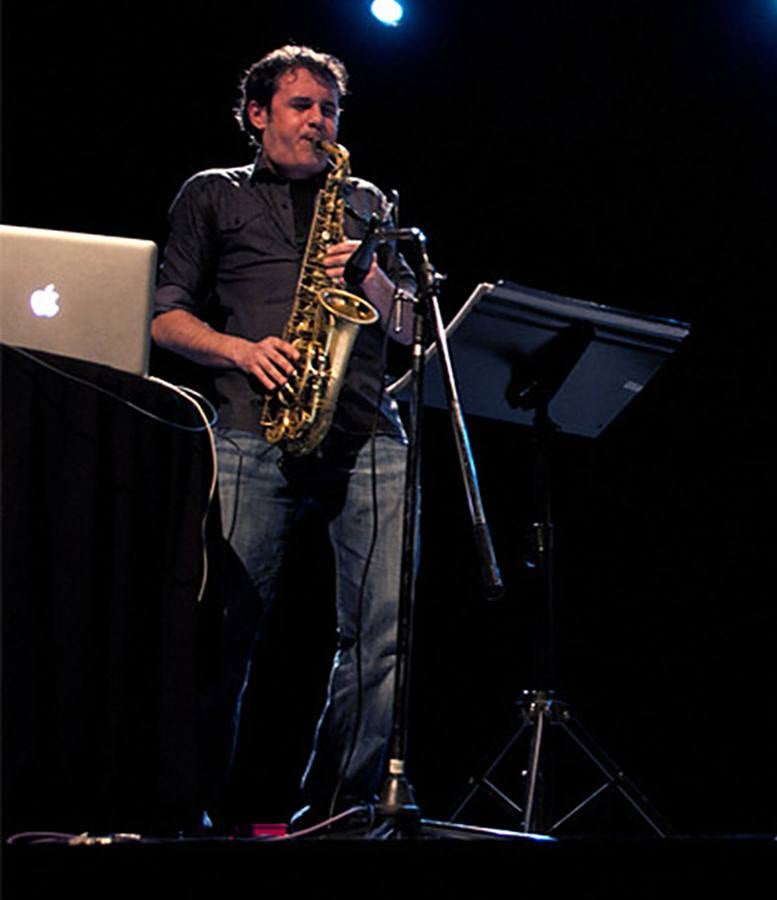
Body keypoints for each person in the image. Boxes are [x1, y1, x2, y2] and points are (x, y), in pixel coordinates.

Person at [151, 44, 415, 832]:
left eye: (329, 109)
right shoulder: (212, 193)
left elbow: (409, 327)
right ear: (257, 114)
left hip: (365, 426)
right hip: (251, 422)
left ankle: (344, 809)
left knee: (383, 636)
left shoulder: (365, 200)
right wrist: (241, 350)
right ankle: (191, 811)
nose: (318, 122)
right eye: (302, 106)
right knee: (224, 627)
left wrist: (371, 278)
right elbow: (163, 316)